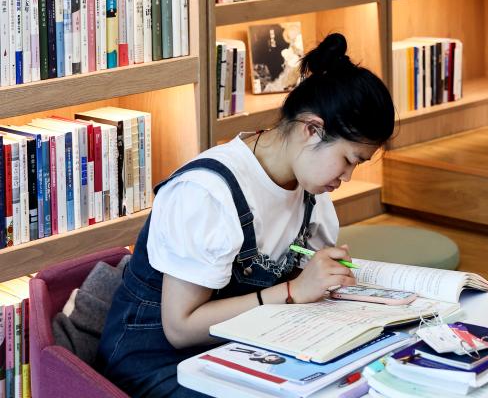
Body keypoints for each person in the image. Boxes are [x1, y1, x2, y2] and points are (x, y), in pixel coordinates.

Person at [97, 33, 396, 397]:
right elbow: (180, 328)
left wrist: (324, 280)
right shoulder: (207, 193)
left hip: (240, 346)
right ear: (311, 129)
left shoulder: (312, 192)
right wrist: (294, 291)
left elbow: (303, 286)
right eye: (348, 160)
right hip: (156, 360)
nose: (347, 177)